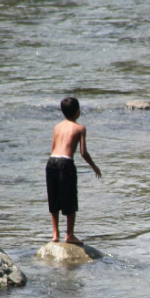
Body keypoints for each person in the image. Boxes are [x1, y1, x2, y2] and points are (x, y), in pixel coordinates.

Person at [47, 96, 101, 245]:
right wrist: (94, 166)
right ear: (77, 112)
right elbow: (83, 152)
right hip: (66, 163)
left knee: (54, 197)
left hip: (51, 162)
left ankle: (55, 233)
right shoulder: (80, 128)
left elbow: (53, 148)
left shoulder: (57, 126)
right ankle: (69, 234)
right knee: (70, 197)